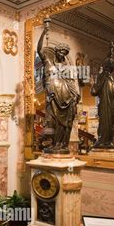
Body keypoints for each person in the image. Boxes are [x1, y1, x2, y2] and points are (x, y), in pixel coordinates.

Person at [37, 16, 80, 152]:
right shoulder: (48, 63)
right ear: (56, 52)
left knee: (66, 124)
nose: (62, 54)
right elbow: (39, 50)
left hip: (67, 96)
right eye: (61, 51)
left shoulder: (67, 68)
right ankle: (54, 144)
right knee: (53, 121)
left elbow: (71, 82)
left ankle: (62, 144)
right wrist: (44, 32)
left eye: (65, 52)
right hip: (54, 97)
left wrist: (76, 95)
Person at [90, 42, 114, 148]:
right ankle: (105, 141)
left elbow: (94, 91)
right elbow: (112, 93)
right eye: (113, 68)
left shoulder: (105, 77)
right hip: (107, 106)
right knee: (106, 124)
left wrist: (92, 84)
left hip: (106, 106)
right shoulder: (107, 78)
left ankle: (104, 141)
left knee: (105, 124)